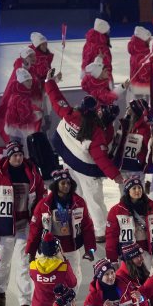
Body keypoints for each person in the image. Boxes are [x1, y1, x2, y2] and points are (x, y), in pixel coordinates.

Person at [48, 72, 122, 231]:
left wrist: (50, 82)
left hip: (67, 160)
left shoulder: (68, 113)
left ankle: (78, 224)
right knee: (94, 199)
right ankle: (101, 230)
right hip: (86, 168)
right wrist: (115, 175)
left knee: (77, 196)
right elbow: (101, 158)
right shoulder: (96, 133)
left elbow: (56, 99)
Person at [0, 142, 45, 306]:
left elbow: (41, 196)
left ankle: (25, 302)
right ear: (8, 157)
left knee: (24, 263)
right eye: (14, 155)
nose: (18, 158)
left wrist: (39, 221)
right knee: (3, 261)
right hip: (4, 227)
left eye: (20, 155)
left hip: (25, 224)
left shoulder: (33, 173)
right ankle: (0, 290)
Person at [26, 168, 97, 287]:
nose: (66, 186)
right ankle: (54, 304)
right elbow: (35, 230)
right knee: (48, 279)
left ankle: (70, 303)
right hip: (50, 249)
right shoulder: (44, 205)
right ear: (55, 185)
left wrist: (90, 249)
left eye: (68, 183)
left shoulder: (79, 202)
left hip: (71, 247)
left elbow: (87, 227)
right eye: (62, 183)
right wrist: (31, 252)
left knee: (74, 278)